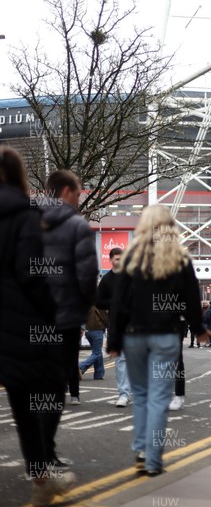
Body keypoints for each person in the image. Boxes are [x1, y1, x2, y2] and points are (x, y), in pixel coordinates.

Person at [107, 205, 210, 476]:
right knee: (158, 398)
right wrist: (199, 328)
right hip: (166, 336)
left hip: (133, 336)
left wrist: (114, 340)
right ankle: (153, 460)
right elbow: (191, 301)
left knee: (140, 395)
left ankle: (141, 450)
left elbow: (118, 304)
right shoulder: (180, 260)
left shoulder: (130, 259)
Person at [0, 147, 76, 506]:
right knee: (47, 389)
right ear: (19, 176)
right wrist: (52, 311)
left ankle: (43, 476)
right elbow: (32, 274)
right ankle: (43, 474)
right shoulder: (24, 215)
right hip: (23, 325)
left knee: (22, 397)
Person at [41, 170, 98, 460]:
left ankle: (36, 450)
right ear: (65, 191)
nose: (79, 200)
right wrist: (84, 307)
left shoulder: (27, 221)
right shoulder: (77, 226)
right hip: (63, 320)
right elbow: (88, 276)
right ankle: (45, 452)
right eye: (77, 193)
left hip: (29, 319)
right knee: (55, 385)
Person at [97, 247, 132, 407]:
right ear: (110, 260)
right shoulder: (106, 280)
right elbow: (98, 302)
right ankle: (124, 394)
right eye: (117, 259)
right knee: (121, 360)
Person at [79, 304, 107, 381]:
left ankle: (99, 374)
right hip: (97, 330)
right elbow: (104, 317)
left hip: (88, 332)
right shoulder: (98, 303)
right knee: (97, 353)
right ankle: (81, 367)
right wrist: (107, 324)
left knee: (97, 352)